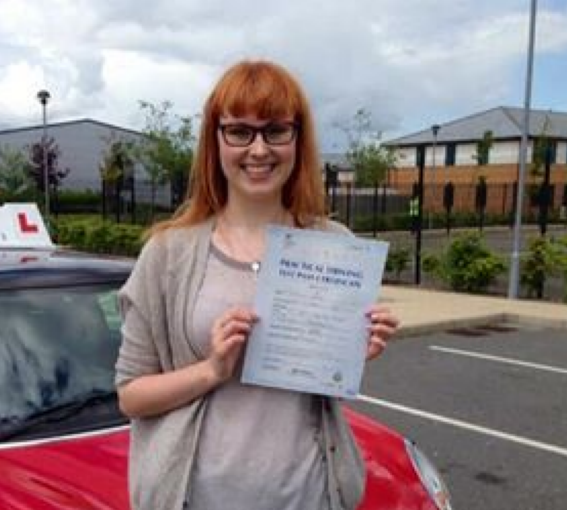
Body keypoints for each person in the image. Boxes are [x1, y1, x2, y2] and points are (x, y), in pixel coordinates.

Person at [115, 60, 400, 510]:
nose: (259, 149)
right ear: (216, 139)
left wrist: (353, 346)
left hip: (310, 496)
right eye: (240, 131)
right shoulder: (168, 254)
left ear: (297, 139)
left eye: (275, 130)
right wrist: (211, 369)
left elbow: (325, 379)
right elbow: (131, 395)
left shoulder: (334, 246)